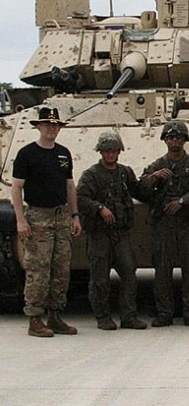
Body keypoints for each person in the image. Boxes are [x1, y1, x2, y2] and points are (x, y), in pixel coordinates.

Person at [11, 107, 81, 337]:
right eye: (47, 125)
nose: (51, 129)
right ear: (39, 127)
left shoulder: (63, 154)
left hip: (61, 217)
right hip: (38, 216)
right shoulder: (27, 154)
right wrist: (21, 220)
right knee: (38, 269)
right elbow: (17, 187)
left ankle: (55, 315)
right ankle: (35, 318)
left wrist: (75, 215)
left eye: (55, 125)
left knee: (61, 269)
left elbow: (70, 186)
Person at [77, 131, 147, 330]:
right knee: (100, 278)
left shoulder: (125, 172)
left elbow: (138, 190)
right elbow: (80, 197)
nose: (110, 154)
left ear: (119, 152)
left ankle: (128, 316)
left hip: (120, 233)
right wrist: (99, 208)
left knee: (129, 273)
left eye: (114, 150)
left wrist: (154, 180)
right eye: (107, 151)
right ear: (101, 152)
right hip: (99, 233)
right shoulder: (91, 175)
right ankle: (103, 317)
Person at [138, 121, 189, 327]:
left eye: (178, 137)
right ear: (165, 140)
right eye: (170, 137)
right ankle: (164, 312)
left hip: (187, 222)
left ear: (185, 140)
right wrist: (154, 178)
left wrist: (183, 201)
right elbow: (141, 189)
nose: (174, 140)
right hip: (164, 223)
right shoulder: (157, 165)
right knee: (162, 270)